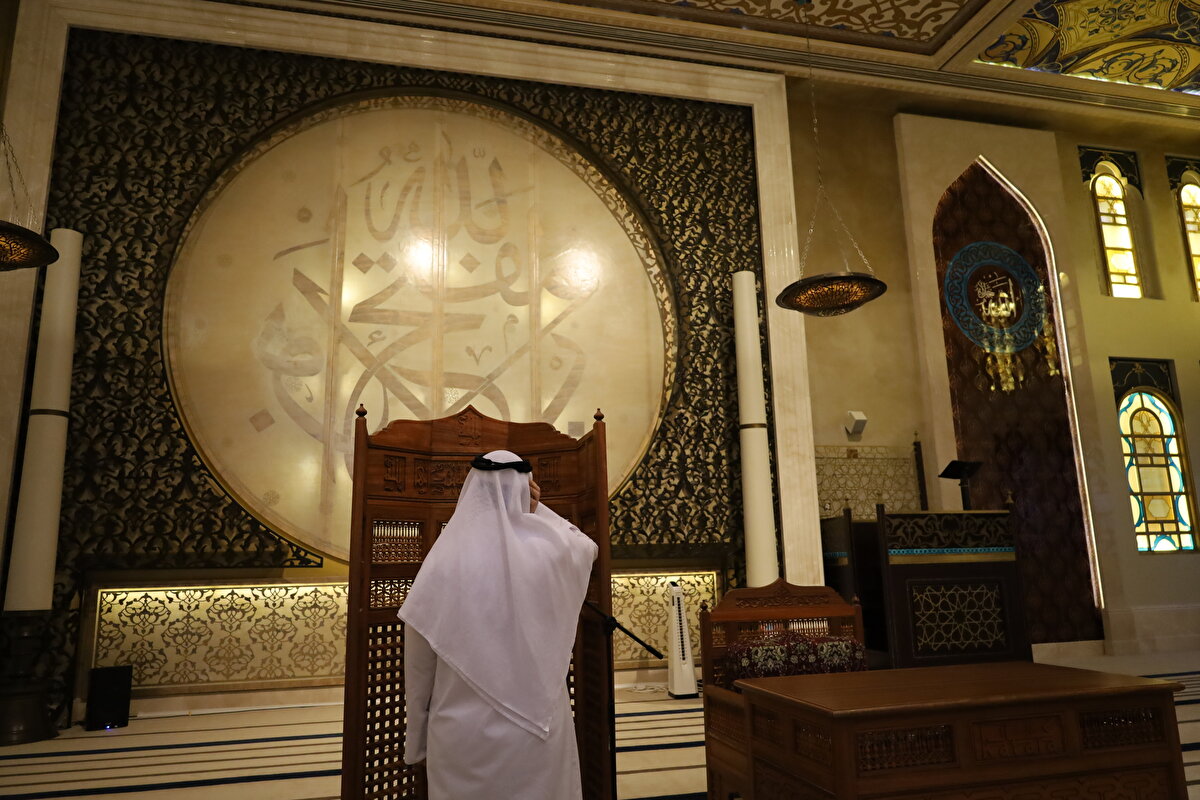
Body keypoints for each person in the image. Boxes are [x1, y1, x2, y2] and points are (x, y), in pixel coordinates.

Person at [398, 449, 598, 800]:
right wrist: (539, 511)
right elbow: (586, 546)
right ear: (528, 489)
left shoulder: (443, 561)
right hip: (538, 729)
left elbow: (418, 666)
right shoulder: (552, 553)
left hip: (462, 735)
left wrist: (415, 741)